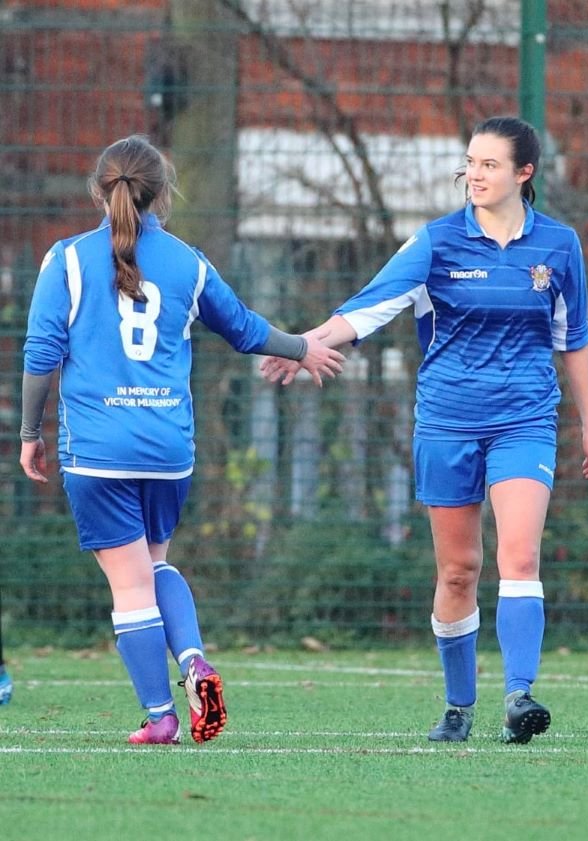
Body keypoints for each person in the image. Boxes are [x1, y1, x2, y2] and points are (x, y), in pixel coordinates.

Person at [261, 115, 588, 744]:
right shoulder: (435, 243)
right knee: (457, 571)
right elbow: (365, 308)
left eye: (490, 164)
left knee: (520, 555)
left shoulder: (559, 246)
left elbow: (573, 339)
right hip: (446, 423)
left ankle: (520, 697)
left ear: (524, 173)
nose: (475, 174)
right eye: (470, 162)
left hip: (525, 421)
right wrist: (299, 344)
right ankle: (458, 707)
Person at [19, 135, 345, 744]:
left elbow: (42, 354)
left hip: (99, 450)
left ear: (99, 190)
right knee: (156, 563)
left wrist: (28, 433)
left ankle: (160, 715)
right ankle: (193, 661)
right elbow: (245, 330)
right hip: (168, 449)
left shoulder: (65, 260)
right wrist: (303, 349)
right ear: (162, 194)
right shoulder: (190, 263)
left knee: (129, 583)